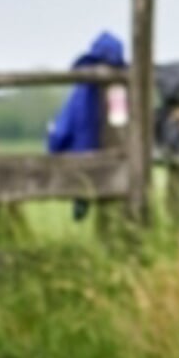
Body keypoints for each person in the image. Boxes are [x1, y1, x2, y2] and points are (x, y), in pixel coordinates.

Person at [47, 31, 127, 222]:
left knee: (107, 215)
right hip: (120, 162)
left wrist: (54, 146)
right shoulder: (123, 88)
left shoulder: (82, 90)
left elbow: (63, 129)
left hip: (83, 163)